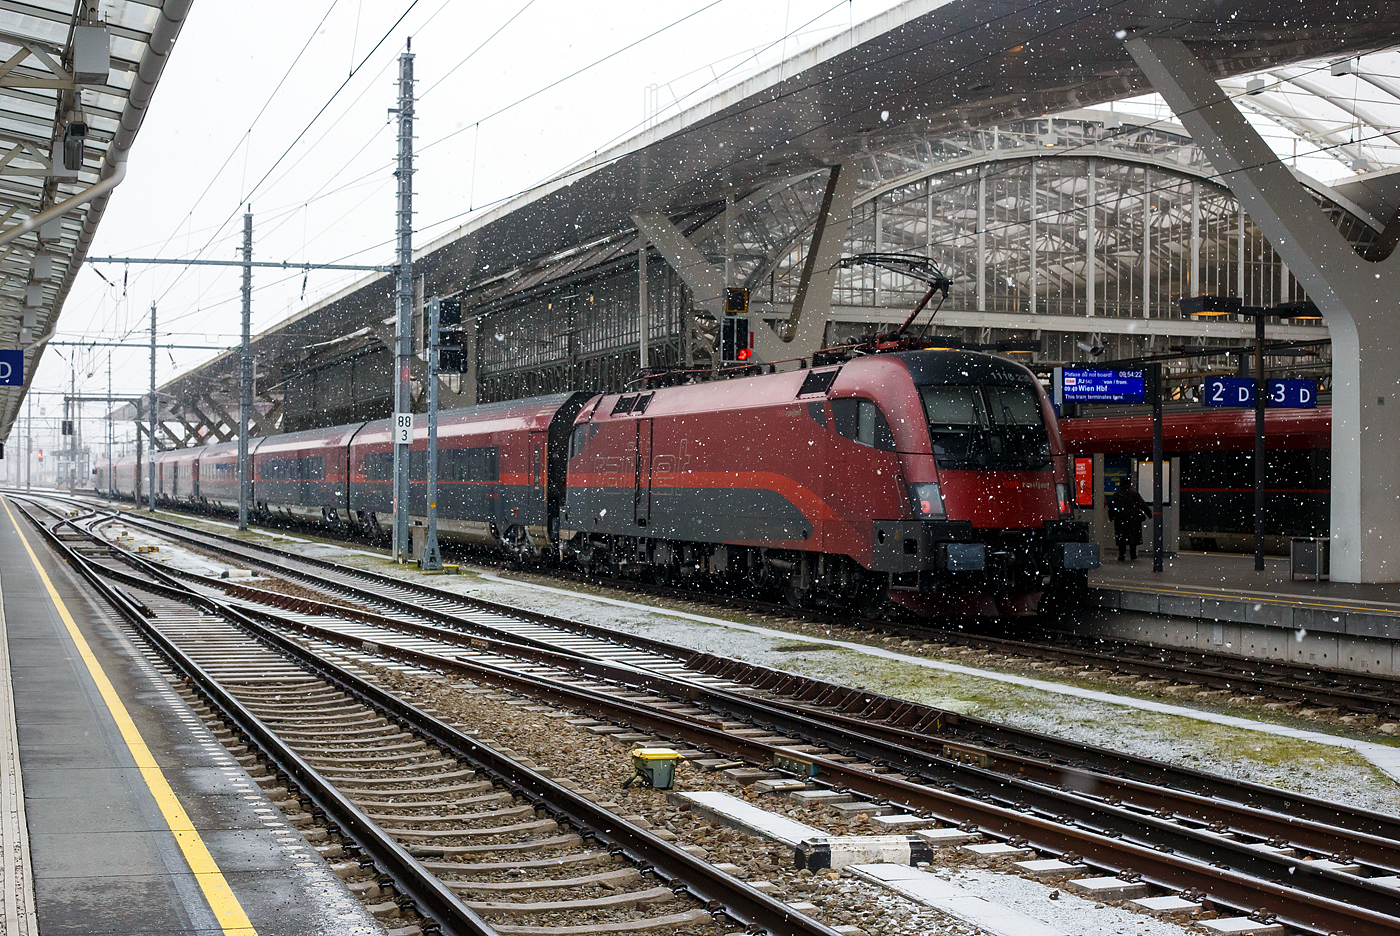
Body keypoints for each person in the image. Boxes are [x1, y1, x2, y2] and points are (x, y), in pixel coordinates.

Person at [1107, 476, 1153, 562]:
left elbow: (1111, 507)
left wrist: (1111, 517)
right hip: (1133, 520)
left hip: (1120, 519)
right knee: (1133, 538)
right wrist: (1149, 514)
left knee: (1121, 538)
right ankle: (1133, 554)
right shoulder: (1134, 494)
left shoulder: (1116, 495)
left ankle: (1122, 555)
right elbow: (1142, 505)